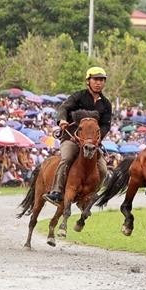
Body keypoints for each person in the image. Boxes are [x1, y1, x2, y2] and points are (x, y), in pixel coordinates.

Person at [43, 67, 111, 205]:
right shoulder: (78, 96)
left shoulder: (106, 104)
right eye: (95, 79)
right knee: (67, 158)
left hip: (92, 143)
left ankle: (92, 193)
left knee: (103, 168)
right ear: (88, 81)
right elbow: (63, 108)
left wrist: (97, 139)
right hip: (71, 138)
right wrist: (62, 120)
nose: (99, 83)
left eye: (101, 80)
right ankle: (56, 191)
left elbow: (105, 125)